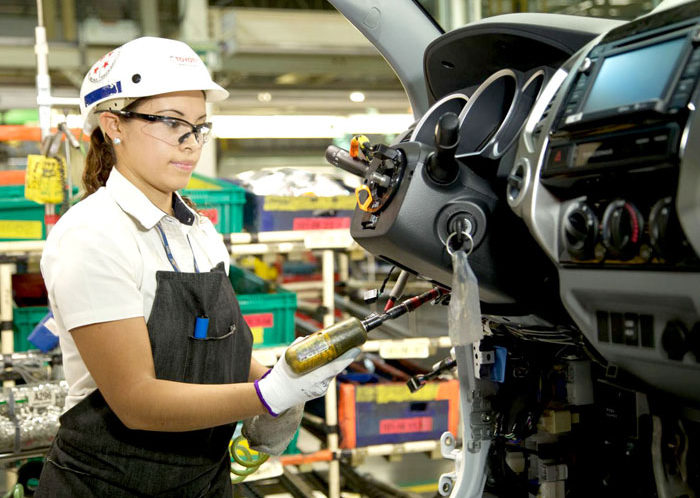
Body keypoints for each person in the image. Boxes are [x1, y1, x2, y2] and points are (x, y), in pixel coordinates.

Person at [35, 36, 358, 497]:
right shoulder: (92, 235)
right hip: (107, 485)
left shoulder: (199, 232)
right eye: (172, 123)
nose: (191, 145)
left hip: (203, 482)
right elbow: (136, 402)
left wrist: (282, 377)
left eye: (199, 127)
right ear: (113, 125)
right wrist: (267, 396)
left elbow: (211, 349)